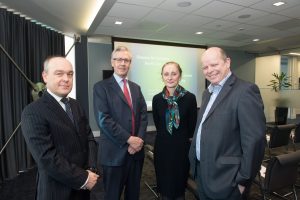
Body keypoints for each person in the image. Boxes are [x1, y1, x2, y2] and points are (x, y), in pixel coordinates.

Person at [189, 47, 266, 200]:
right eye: (205, 67)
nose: (209, 70)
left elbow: (254, 141)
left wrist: (243, 181)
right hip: (203, 173)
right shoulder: (207, 93)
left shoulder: (245, 91)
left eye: (214, 64)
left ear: (227, 62)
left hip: (228, 179)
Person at [21, 56, 99, 200]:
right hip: (57, 191)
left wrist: (92, 168)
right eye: (59, 73)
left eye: (70, 74)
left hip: (83, 188)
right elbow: (47, 158)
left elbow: (89, 138)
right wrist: (84, 178)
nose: (66, 79)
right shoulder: (32, 112)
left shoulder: (76, 105)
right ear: (45, 76)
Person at [93, 46, 148, 200]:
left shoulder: (136, 88)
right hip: (114, 154)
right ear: (112, 62)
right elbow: (104, 120)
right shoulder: (101, 87)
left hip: (136, 153)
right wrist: (130, 139)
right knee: (112, 195)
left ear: (130, 63)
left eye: (126, 60)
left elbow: (143, 116)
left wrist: (140, 140)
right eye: (119, 59)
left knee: (133, 195)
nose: (122, 63)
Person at [152, 61, 197, 200]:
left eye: (174, 74)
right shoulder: (157, 99)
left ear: (180, 76)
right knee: (164, 188)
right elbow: (158, 124)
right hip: (162, 148)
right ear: (162, 77)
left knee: (179, 189)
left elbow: (192, 126)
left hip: (181, 149)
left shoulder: (190, 98)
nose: (170, 77)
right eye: (166, 74)